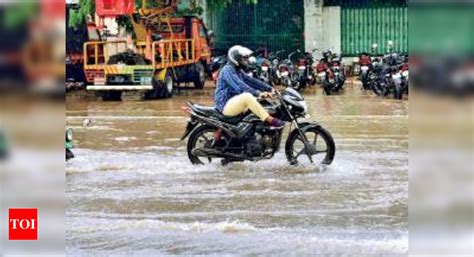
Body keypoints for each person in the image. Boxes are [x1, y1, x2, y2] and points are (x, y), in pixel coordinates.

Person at [214, 45, 286, 127]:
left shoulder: (238, 70)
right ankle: (270, 119)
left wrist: (269, 88)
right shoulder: (227, 70)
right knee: (247, 97)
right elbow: (240, 86)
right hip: (224, 106)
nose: (246, 61)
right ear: (236, 59)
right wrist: (258, 93)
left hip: (233, 102)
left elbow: (251, 81)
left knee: (259, 101)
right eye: (243, 58)